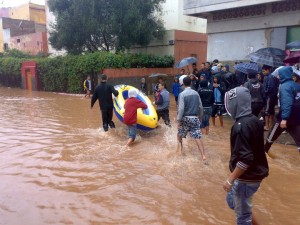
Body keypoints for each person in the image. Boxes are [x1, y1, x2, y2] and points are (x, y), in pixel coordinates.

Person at [223, 87, 269, 225]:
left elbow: (246, 159)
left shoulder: (240, 126)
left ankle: (246, 216)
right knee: (233, 201)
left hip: (246, 178)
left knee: (242, 218)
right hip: (256, 174)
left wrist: (230, 179)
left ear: (235, 103)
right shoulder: (255, 119)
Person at [264, 66, 300, 154]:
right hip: (296, 116)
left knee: (273, 134)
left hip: (285, 117)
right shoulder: (296, 85)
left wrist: (284, 118)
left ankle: (264, 152)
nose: (277, 77)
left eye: (279, 75)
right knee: (298, 139)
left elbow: (287, 103)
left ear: (284, 75)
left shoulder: (284, 86)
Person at [177, 76, 206, 160]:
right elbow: (200, 107)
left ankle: (180, 151)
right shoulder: (196, 93)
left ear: (183, 84)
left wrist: (178, 120)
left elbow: (181, 108)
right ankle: (203, 155)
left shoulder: (182, 94)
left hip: (185, 118)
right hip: (194, 117)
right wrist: (200, 116)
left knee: (179, 134)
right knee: (197, 137)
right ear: (191, 83)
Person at [262, 65, 278, 131]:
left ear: (268, 70)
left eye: (264, 71)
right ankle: (271, 125)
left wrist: (264, 92)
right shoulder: (269, 77)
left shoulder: (270, 77)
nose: (263, 72)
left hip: (269, 96)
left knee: (267, 112)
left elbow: (270, 88)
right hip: (272, 96)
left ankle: (267, 126)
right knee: (271, 111)